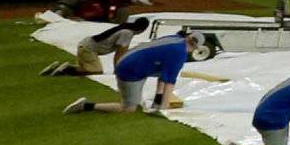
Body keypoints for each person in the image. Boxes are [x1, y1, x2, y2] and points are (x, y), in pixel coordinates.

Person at [62, 27, 203, 115]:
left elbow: (165, 75)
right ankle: (86, 106)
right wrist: (164, 110)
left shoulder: (176, 38)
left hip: (131, 60)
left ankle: (157, 103)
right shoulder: (179, 53)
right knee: (128, 109)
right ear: (195, 47)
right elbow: (170, 83)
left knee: (164, 72)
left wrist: (159, 102)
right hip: (129, 70)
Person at [41, 14, 149, 78]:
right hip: (88, 49)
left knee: (87, 69)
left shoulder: (126, 30)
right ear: (143, 29)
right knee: (96, 71)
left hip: (86, 47)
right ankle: (67, 69)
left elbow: (122, 52)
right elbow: (119, 54)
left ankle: (58, 69)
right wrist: (117, 71)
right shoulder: (127, 33)